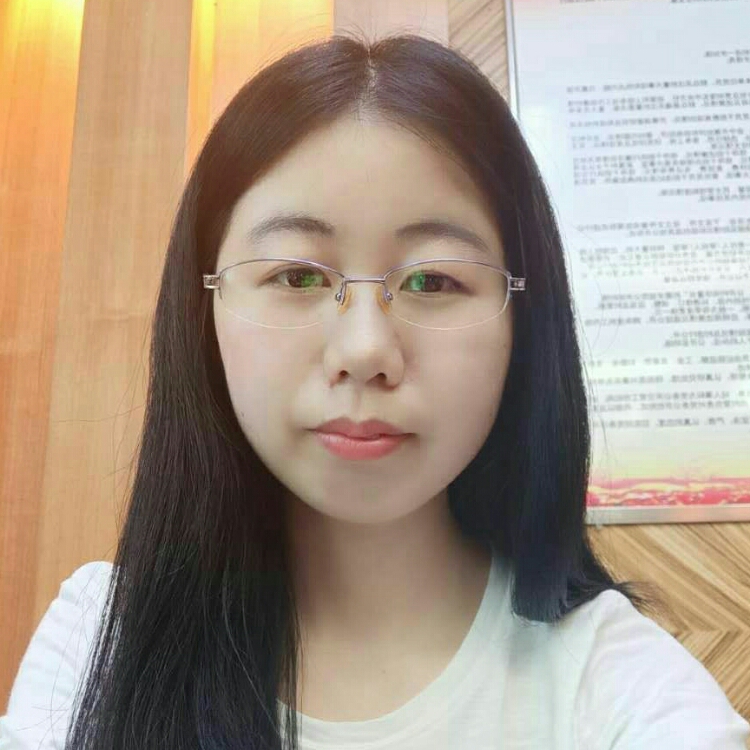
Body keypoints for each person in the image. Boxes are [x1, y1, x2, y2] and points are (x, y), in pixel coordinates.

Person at [1, 32, 748, 750]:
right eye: (298, 275)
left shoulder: (615, 689)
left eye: (433, 280)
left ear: (525, 322)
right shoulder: (97, 639)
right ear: (204, 310)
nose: (364, 351)